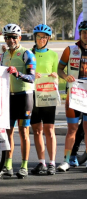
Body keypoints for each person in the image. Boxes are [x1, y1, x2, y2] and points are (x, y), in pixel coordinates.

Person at [0, 24, 36, 179]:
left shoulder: (27, 53)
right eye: (8, 37)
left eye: (14, 36)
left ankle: (24, 166)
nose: (11, 39)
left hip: (24, 96)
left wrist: (18, 74)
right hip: (9, 97)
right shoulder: (4, 55)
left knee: (23, 132)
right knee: (8, 133)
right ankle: (8, 166)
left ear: (19, 38)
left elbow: (32, 77)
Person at [56, 20, 87, 172]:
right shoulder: (70, 49)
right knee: (72, 129)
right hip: (74, 94)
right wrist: (65, 76)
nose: (86, 35)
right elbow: (59, 68)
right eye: (84, 32)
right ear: (80, 34)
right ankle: (67, 160)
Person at [29, 24, 58, 176]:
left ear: (48, 39)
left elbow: (58, 74)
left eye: (44, 37)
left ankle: (52, 162)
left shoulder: (53, 55)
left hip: (48, 94)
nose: (42, 39)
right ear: (35, 37)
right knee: (37, 130)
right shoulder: (29, 53)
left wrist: (56, 76)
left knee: (49, 129)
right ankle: (42, 162)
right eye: (39, 37)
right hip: (33, 95)